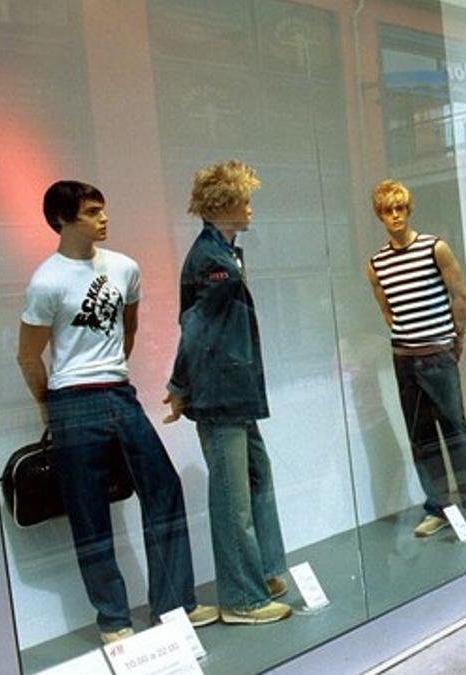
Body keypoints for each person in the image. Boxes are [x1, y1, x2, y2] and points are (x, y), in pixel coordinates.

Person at [18, 180, 217, 643]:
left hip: (117, 391)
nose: (103, 218)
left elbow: (128, 329)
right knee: (88, 510)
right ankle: (113, 617)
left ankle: (173, 605)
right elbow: (28, 355)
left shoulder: (124, 267)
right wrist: (49, 405)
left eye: (102, 209)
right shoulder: (46, 280)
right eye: (91, 212)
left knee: (162, 488)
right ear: (63, 220)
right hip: (72, 397)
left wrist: (111, 371)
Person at [164, 160, 292, 625]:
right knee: (233, 498)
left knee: (257, 477)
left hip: (234, 388)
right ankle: (242, 597)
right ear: (223, 206)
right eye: (245, 200)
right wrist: (180, 384)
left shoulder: (226, 253)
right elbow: (194, 329)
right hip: (219, 393)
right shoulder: (212, 260)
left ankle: (267, 572)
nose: (250, 209)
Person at [365, 179, 466, 538]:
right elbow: (387, 311)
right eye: (387, 211)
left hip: (438, 353)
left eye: (400, 209)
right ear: (379, 215)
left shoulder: (434, 249)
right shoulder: (376, 264)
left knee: (456, 429)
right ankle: (438, 506)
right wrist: (408, 339)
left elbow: (460, 296)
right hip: (405, 358)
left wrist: (456, 341)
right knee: (420, 436)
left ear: (408, 210)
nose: (395, 216)